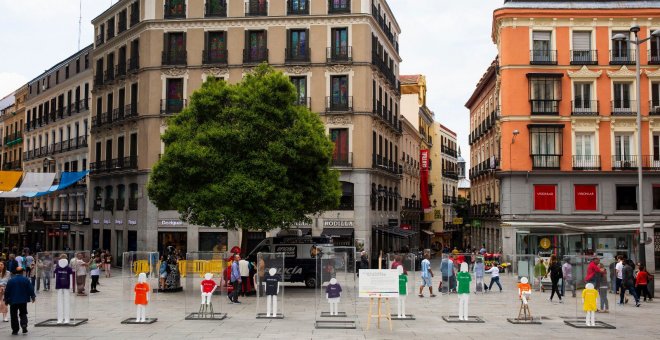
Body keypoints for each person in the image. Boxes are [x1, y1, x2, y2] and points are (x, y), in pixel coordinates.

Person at [3, 267, 36, 335]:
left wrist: (6, 300)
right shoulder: (25, 279)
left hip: (13, 300)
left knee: (13, 315)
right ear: (22, 272)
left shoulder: (11, 280)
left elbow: (7, 291)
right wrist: (33, 296)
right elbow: (30, 288)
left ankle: (15, 330)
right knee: (23, 313)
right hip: (23, 300)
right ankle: (24, 325)